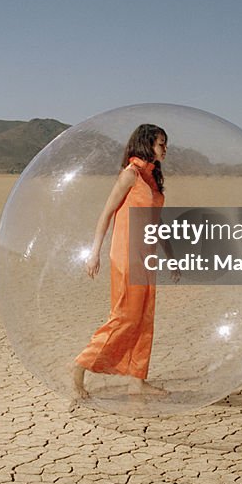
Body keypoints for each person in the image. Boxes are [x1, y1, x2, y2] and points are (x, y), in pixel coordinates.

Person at [72, 124, 169, 400]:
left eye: (165, 144)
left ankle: (136, 381)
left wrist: (170, 256)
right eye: (160, 143)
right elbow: (106, 214)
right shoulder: (131, 175)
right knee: (125, 316)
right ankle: (79, 366)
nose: (164, 149)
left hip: (147, 256)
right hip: (126, 254)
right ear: (146, 144)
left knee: (144, 318)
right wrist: (94, 252)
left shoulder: (152, 177)